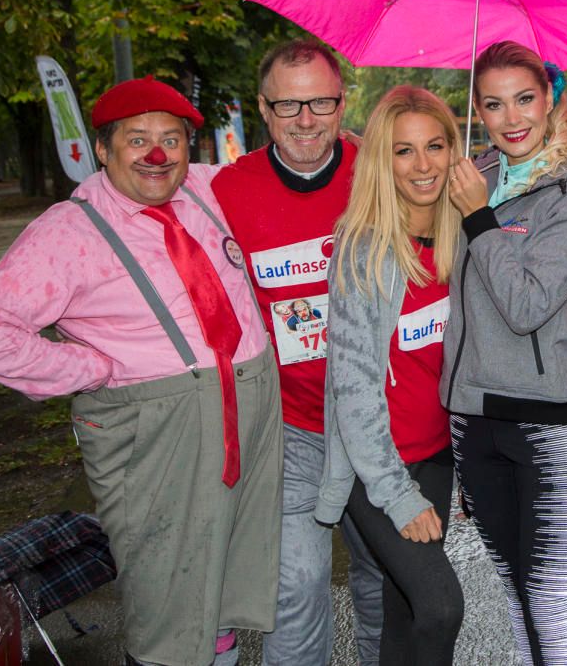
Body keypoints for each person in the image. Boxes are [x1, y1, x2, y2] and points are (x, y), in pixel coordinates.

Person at [0, 78, 281, 666]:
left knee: (226, 586)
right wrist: (88, 365)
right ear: (102, 149)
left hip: (247, 416)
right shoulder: (66, 232)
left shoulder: (205, 190)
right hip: (157, 434)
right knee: (167, 597)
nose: (157, 154)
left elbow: (283, 168)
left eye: (171, 139)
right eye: (137, 139)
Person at [211, 40, 382, 666]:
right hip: (291, 424)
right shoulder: (226, 191)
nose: (306, 120)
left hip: (381, 417)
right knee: (297, 584)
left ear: (342, 104)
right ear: (263, 108)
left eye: (320, 103)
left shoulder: (383, 171)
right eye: (289, 105)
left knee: (384, 580)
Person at [441, 40, 567, 665]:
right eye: (493, 104)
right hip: (472, 415)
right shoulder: (475, 177)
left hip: (545, 419)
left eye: (524, 99)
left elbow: (527, 304)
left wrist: (478, 218)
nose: (511, 118)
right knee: (514, 591)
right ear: (477, 111)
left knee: (548, 602)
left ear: (549, 100)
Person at [315, 86, 466, 664]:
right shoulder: (364, 251)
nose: (423, 165)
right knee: (440, 604)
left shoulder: (463, 238)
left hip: (437, 456)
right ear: (383, 160)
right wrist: (398, 495)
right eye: (404, 150)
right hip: (376, 466)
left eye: (435, 146)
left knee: (406, 612)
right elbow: (352, 389)